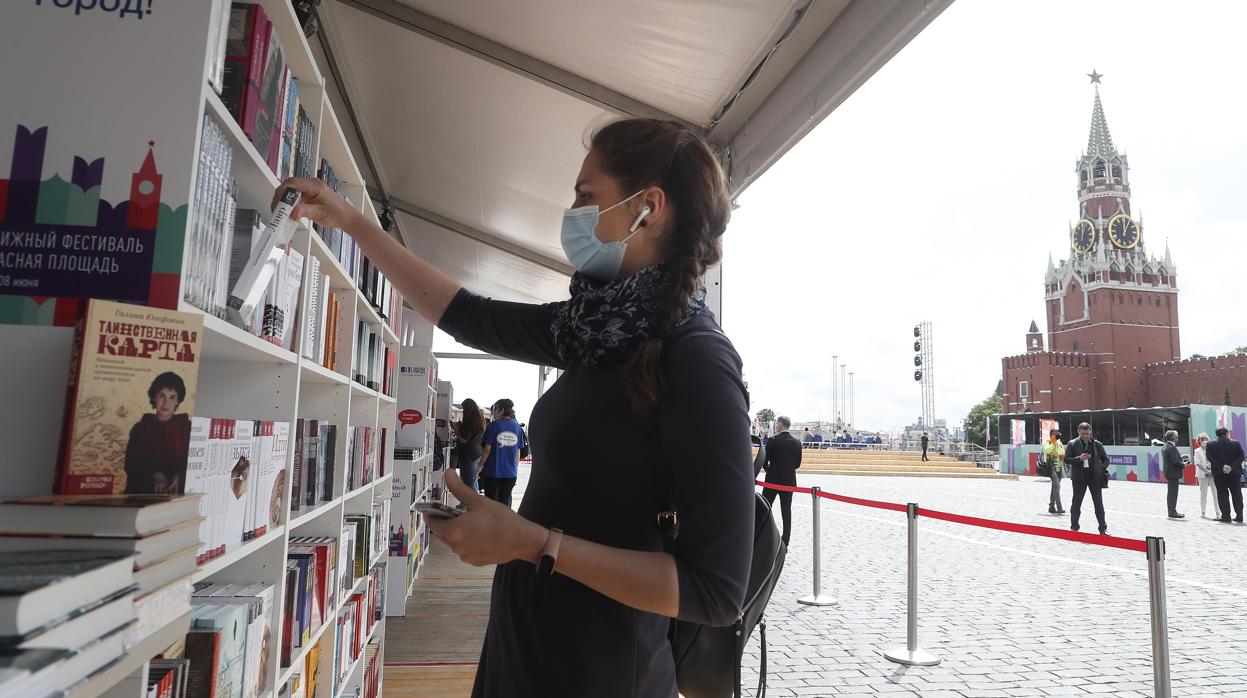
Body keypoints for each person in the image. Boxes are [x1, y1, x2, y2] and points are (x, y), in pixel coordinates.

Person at [275, 117, 754, 696]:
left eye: (586, 196)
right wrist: (350, 223)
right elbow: (467, 313)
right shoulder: (590, 329)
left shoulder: (699, 360)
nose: (571, 213)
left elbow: (716, 592)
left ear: (646, 207)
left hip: (600, 672)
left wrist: (534, 543)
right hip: (525, 648)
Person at [124, 371, 192, 494]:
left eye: (172, 397)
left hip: (177, 496)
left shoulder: (187, 428)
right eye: (162, 395)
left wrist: (180, 476)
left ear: (178, 401)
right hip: (144, 493)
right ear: (154, 397)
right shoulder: (140, 429)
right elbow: (131, 465)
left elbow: (193, 462)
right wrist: (154, 474)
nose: (166, 403)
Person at [478, 399, 525, 509]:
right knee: (504, 503)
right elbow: (518, 451)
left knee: (490, 503)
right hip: (510, 473)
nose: (493, 412)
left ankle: (491, 524)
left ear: (501, 410)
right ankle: (503, 525)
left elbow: (487, 450)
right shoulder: (517, 427)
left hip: (493, 472)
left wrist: (480, 467)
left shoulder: (493, 426)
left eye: (495, 410)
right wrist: (515, 468)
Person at [761, 415, 801, 545]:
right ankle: (786, 539)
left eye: (777, 423)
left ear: (781, 424)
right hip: (788, 481)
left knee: (765, 507)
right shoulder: (797, 443)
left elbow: (764, 461)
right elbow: (798, 463)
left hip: (772, 480)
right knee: (786, 510)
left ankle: (761, 534)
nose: (776, 426)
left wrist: (770, 471)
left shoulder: (773, 441)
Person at [1064, 422, 1109, 534]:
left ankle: (1103, 529)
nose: (1086, 436)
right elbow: (1066, 459)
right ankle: (1074, 527)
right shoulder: (1072, 444)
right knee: (1076, 504)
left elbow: (1106, 459)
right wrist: (1080, 458)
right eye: (1083, 433)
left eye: (1088, 433)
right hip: (1079, 478)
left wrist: (1100, 467)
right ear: (1078, 432)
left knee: (1099, 504)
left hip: (1094, 478)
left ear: (1091, 432)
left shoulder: (1097, 444)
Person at [452, 398, 486, 508]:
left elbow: (463, 439)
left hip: (468, 454)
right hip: (475, 453)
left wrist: (456, 428)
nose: (463, 411)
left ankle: (473, 504)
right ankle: (467, 502)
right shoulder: (478, 420)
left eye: (464, 409)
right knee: (471, 479)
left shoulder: (470, 422)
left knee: (469, 481)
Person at [1206, 426, 1245, 523]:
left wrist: (1222, 466)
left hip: (1219, 473)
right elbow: (1241, 457)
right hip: (1234, 473)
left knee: (1222, 494)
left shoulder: (1210, 444)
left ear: (1216, 434)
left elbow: (1210, 457)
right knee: (1237, 494)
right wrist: (1231, 466)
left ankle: (1226, 517)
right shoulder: (1236, 443)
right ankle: (1239, 516)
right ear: (1227, 433)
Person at [1192, 433, 1220, 519]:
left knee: (1215, 493)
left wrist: (1213, 471)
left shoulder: (1213, 449)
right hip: (1202, 474)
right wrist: (1206, 470)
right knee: (1203, 493)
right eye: (1202, 440)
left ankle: (1218, 512)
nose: (1204, 441)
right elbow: (1197, 463)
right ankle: (1203, 512)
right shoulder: (1197, 451)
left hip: (1213, 474)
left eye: (1206, 439)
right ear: (1199, 441)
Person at [1161, 430, 1185, 519]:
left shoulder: (1165, 446)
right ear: (1173, 438)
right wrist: (1183, 464)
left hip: (1169, 472)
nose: (1178, 438)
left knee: (1171, 493)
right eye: (1177, 436)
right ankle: (1172, 511)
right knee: (1173, 493)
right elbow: (1175, 461)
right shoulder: (1171, 448)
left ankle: (1171, 510)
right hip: (1173, 473)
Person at [1042, 428, 1065, 514]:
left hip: (1059, 467)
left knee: (1054, 487)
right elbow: (1047, 450)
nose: (1057, 435)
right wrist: (1054, 442)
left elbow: (1062, 453)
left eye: (1058, 434)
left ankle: (1051, 507)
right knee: (1057, 486)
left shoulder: (1060, 443)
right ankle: (1059, 507)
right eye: (1055, 434)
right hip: (1051, 467)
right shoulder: (1047, 441)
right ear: (1051, 435)